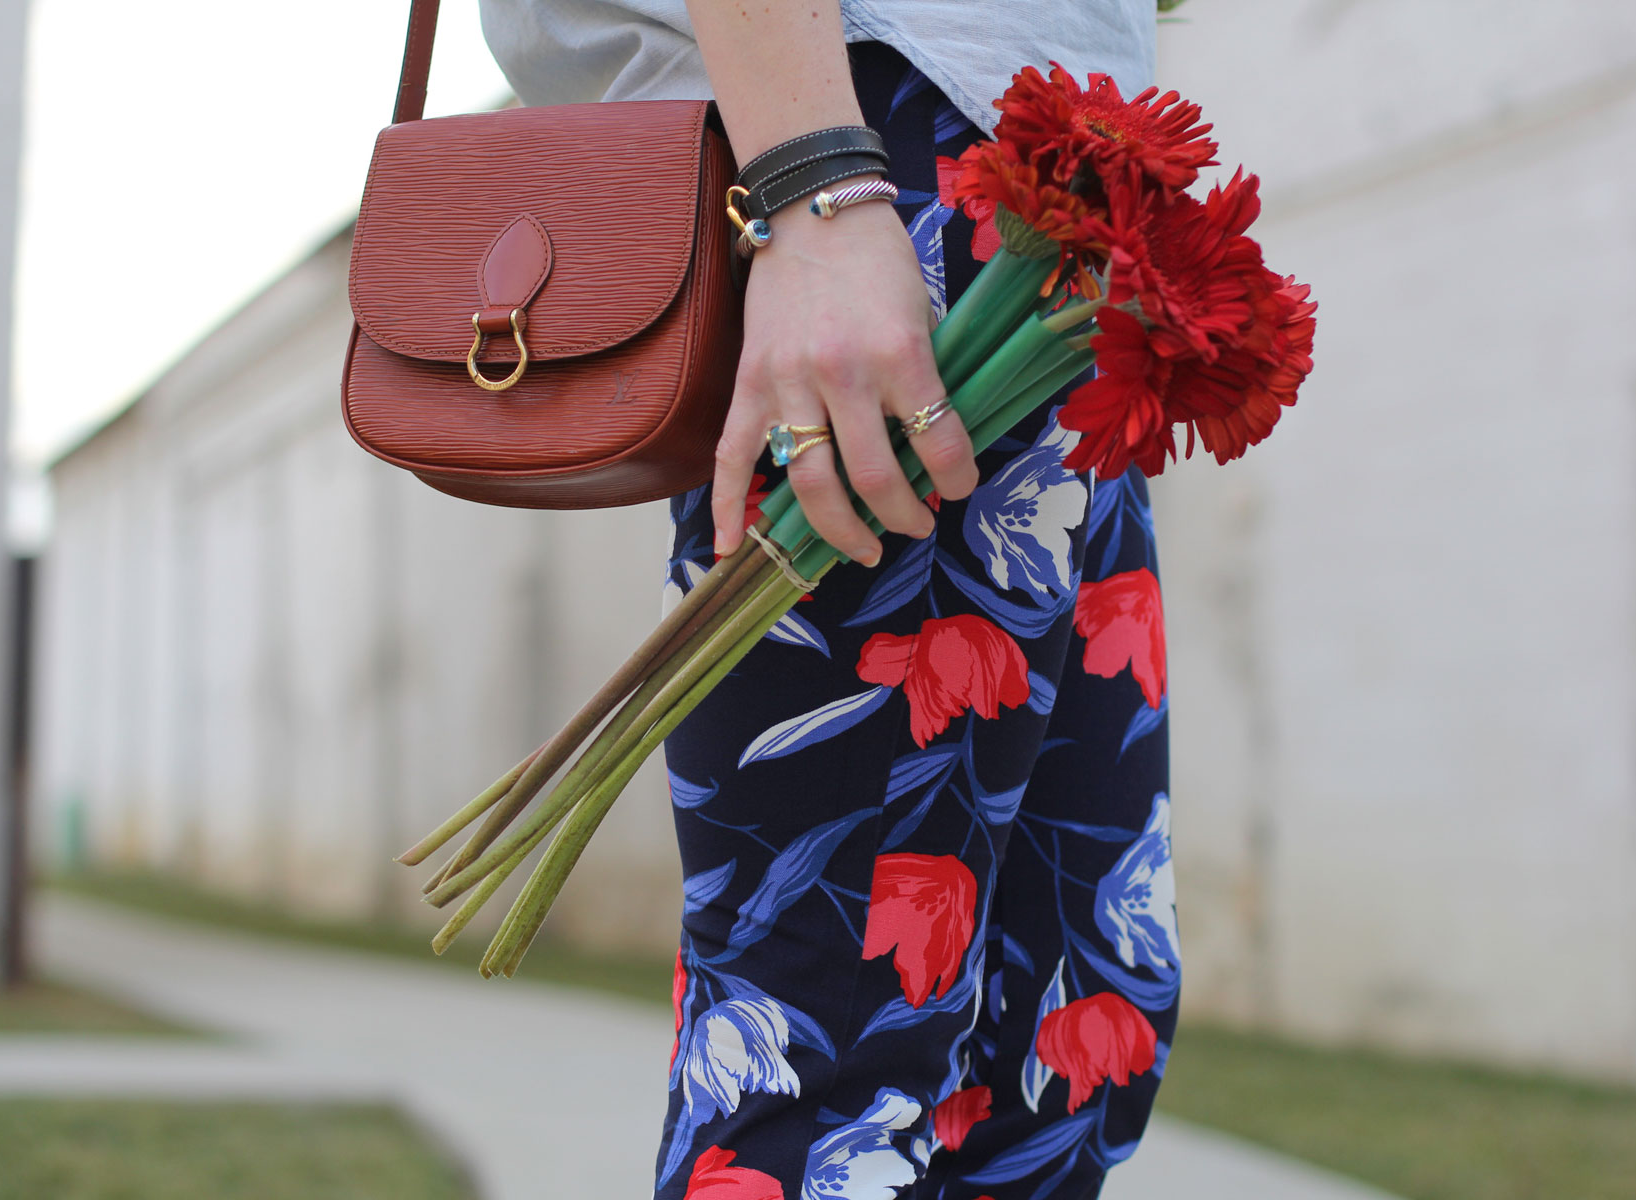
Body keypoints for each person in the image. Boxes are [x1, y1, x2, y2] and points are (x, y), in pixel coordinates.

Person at [478, 3, 1179, 1196]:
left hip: (1043, 206)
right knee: (830, 1074)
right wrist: (819, 189)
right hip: (881, 168)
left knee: (1064, 1048)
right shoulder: (841, 187)